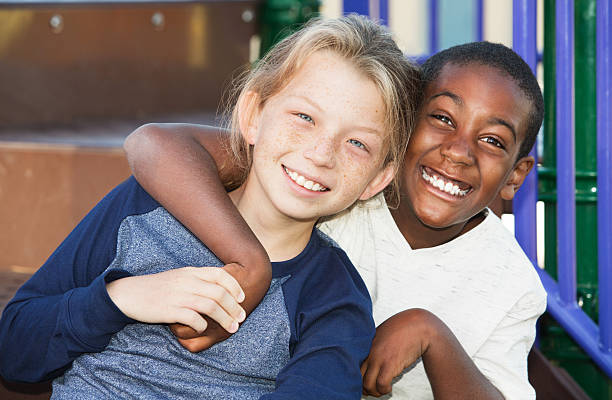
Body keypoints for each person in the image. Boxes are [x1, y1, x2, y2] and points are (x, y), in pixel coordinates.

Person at [0, 15, 422, 399]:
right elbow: (15, 353)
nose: (321, 153)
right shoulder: (146, 208)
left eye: (357, 143)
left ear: (378, 180)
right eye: (304, 117)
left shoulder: (333, 297)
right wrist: (118, 298)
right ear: (254, 114)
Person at [121, 41, 547, 400]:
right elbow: (157, 144)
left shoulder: (512, 285)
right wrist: (249, 260)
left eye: (492, 140)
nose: (458, 151)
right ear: (400, 128)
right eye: (441, 119)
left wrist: (433, 337)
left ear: (515, 175)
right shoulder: (333, 181)